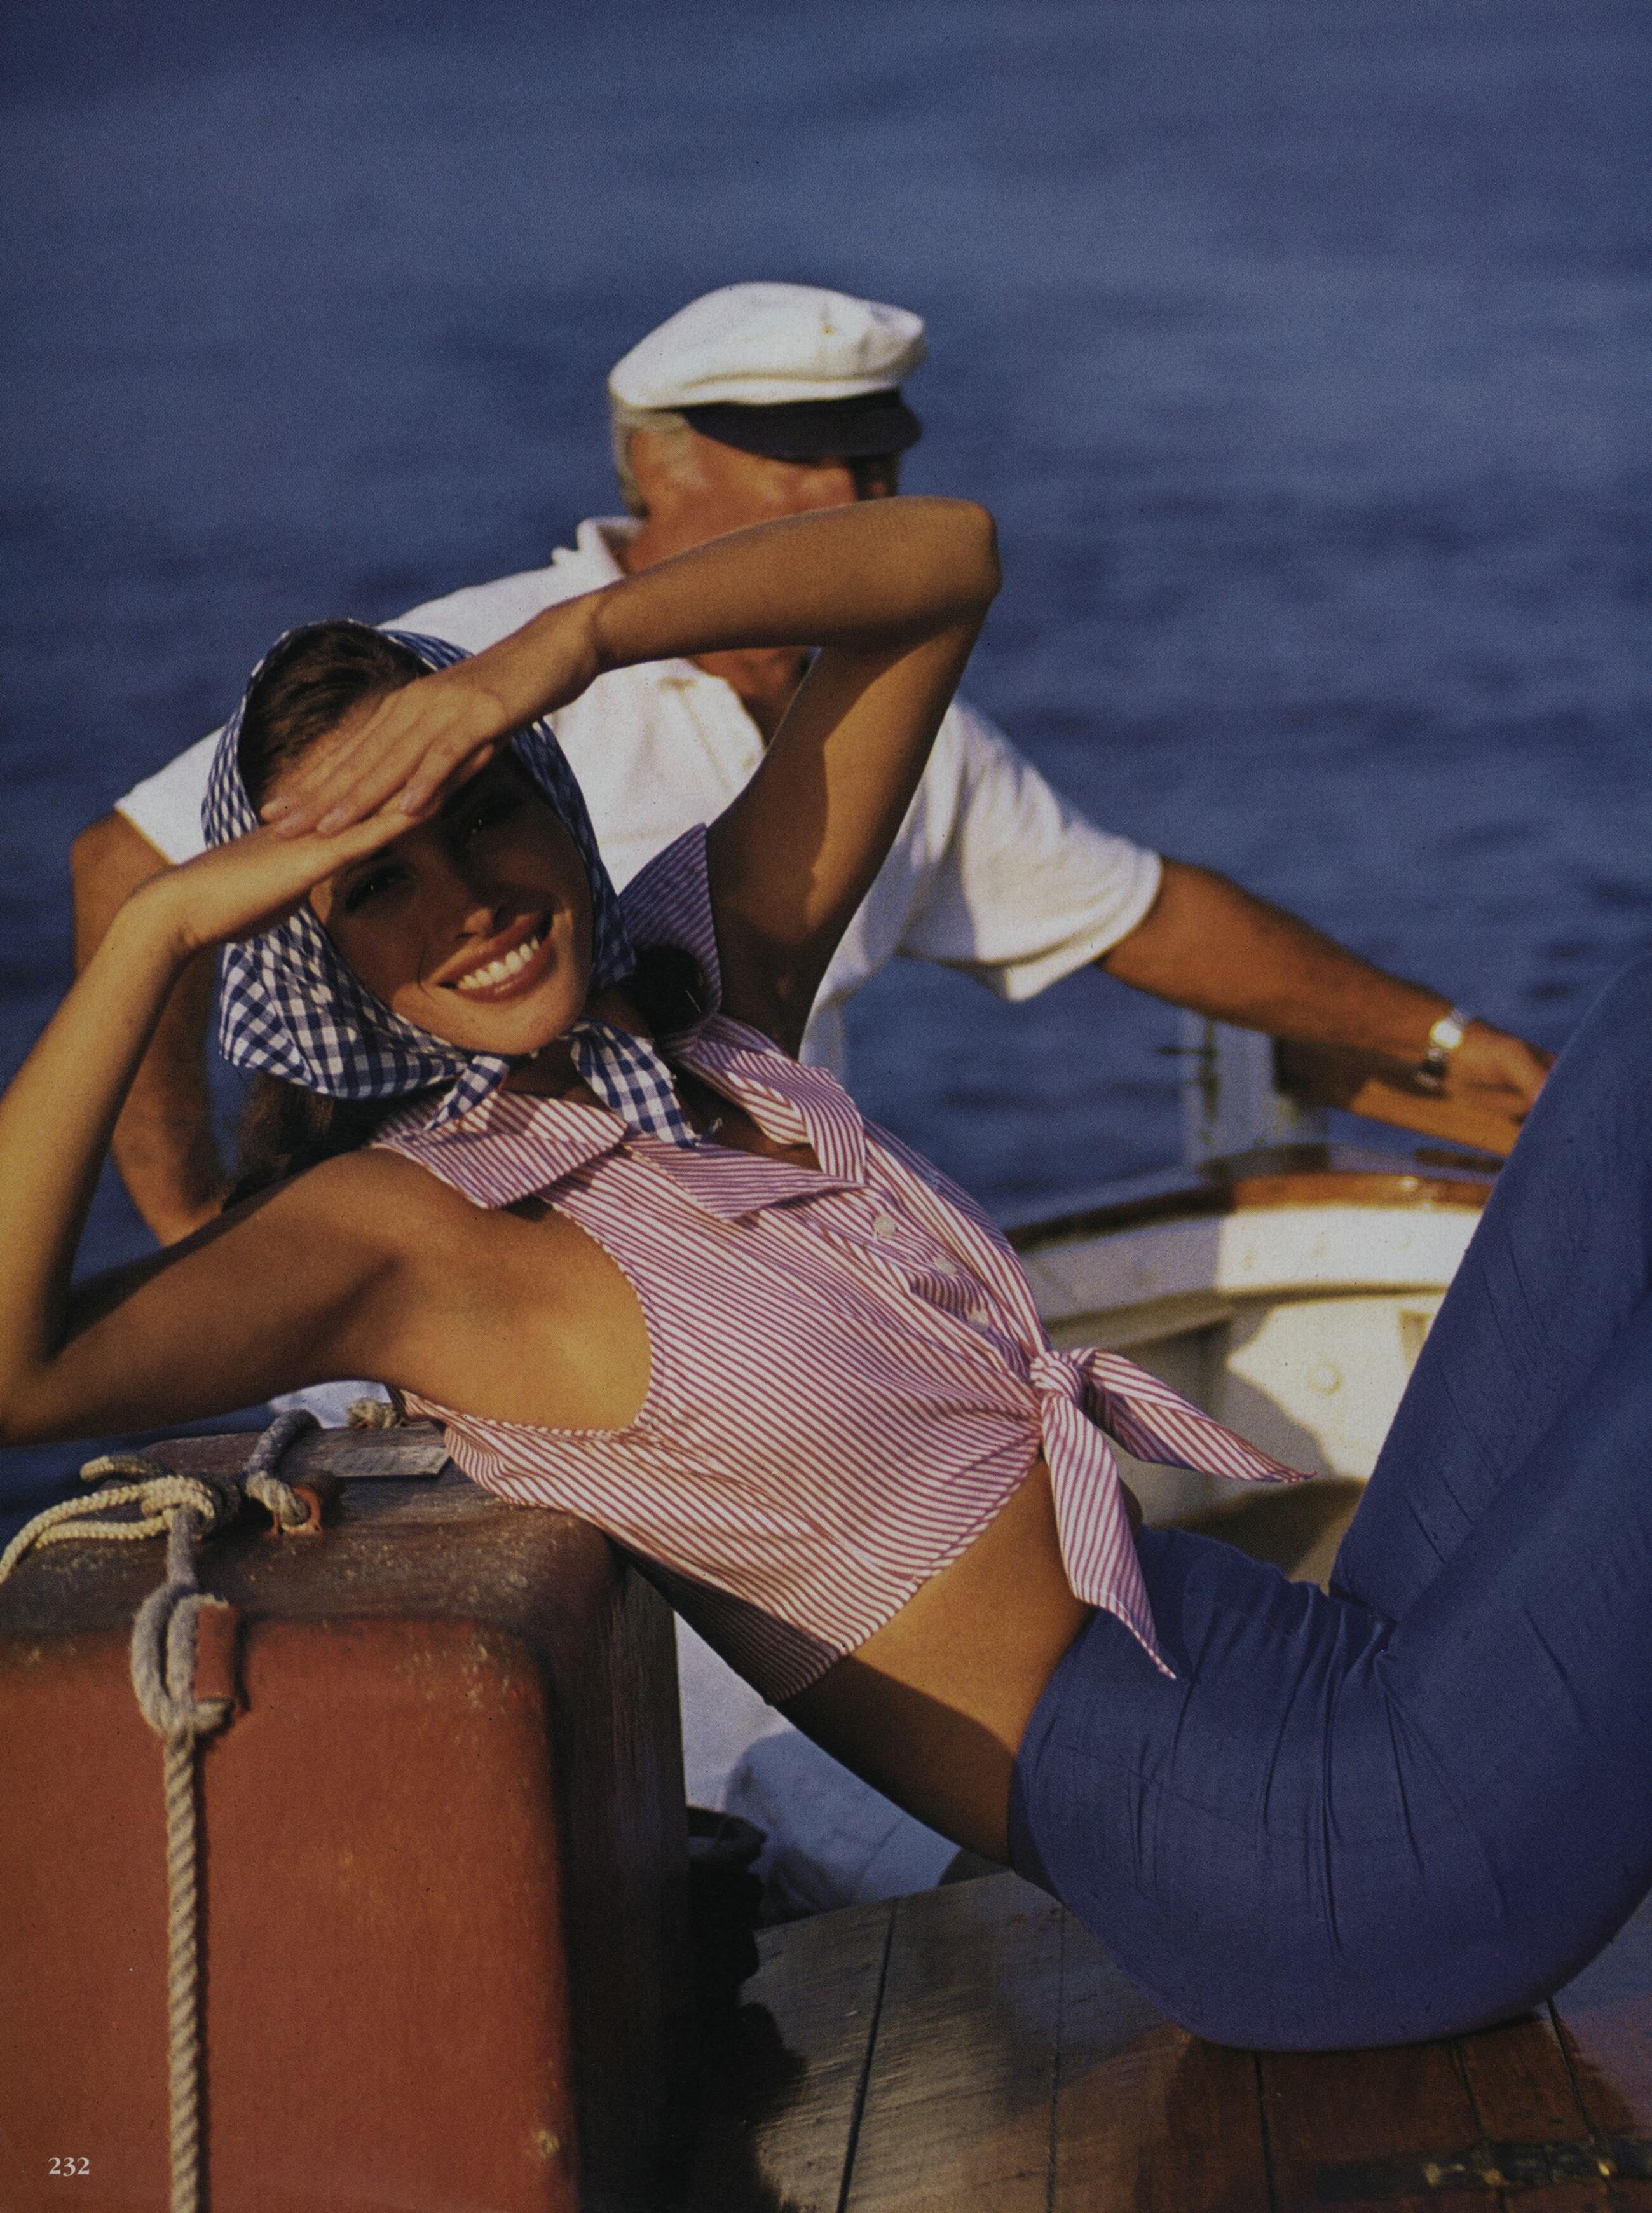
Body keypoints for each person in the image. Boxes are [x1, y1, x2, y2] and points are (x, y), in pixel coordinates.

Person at [6, 497, 1651, 2051]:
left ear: (551, 793)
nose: (473, 900)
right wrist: (155, 931)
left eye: (487, 805)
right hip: (1331, 1852)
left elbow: (948, 565)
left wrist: (569, 645)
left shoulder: (701, 992)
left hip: (1316, 1661)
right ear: (322, 954)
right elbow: (18, 1376)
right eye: (378, 883)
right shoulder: (415, 1236)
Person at [72, 281, 1550, 1249]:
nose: (849, 494)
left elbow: (1136, 914)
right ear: (654, 465)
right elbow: (128, 863)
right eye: (799, 457)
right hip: (449, 1335)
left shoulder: (882, 735)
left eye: (873, 460)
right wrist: (196, 1218)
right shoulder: (461, 682)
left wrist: (1438, 1038)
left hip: (738, 1316)